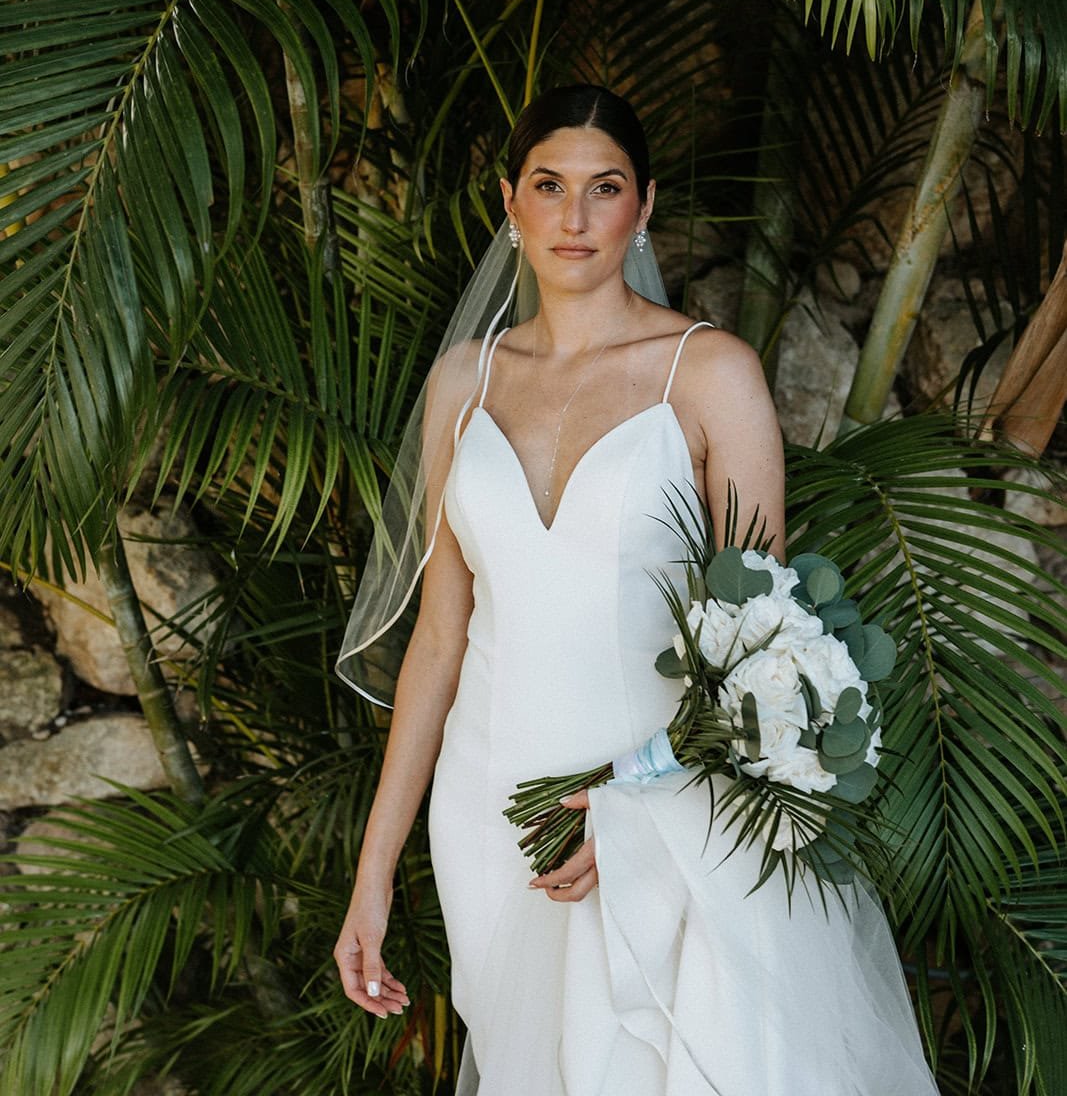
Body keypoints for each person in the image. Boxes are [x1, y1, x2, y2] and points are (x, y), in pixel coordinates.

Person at [334, 85, 939, 1095]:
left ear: (644, 204)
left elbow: (761, 639)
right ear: (508, 201)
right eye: (548, 185)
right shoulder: (460, 383)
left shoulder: (708, 374)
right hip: (490, 812)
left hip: (663, 805)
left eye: (603, 188)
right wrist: (373, 875)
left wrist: (640, 800)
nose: (573, 217)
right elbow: (438, 640)